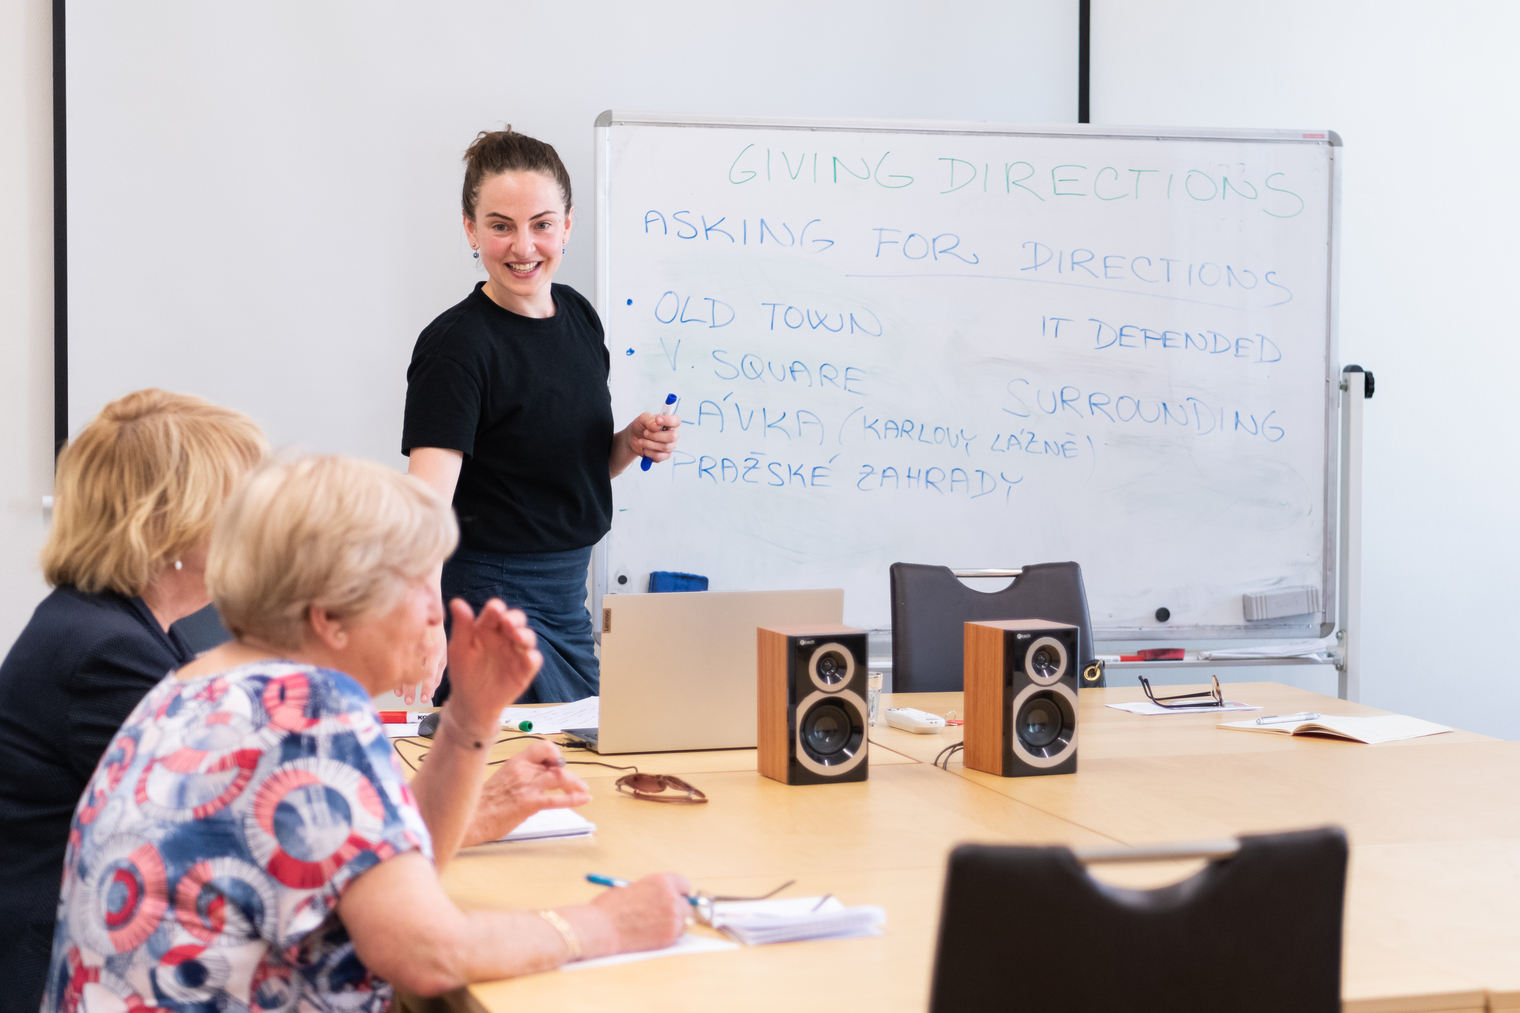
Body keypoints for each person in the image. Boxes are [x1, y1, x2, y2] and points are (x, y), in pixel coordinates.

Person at [42, 454, 689, 1013]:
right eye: (414, 582)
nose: (437, 606)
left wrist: (470, 716)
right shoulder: (308, 711)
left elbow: (403, 876)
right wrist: (605, 923)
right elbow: (426, 952)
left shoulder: (199, 684)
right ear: (331, 617)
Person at [0, 389, 266, 1013]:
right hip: (54, 972)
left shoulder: (114, 626)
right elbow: (234, 842)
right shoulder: (108, 656)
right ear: (170, 522)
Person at [403, 127, 681, 705]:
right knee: (518, 775)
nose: (523, 246)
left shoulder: (578, 316)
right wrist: (428, 623)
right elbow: (423, 510)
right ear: (470, 229)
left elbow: (567, 474)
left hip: (566, 600)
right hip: (491, 599)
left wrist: (627, 443)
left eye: (542, 224)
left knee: (580, 771)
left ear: (568, 225)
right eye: (500, 225)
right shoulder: (457, 347)